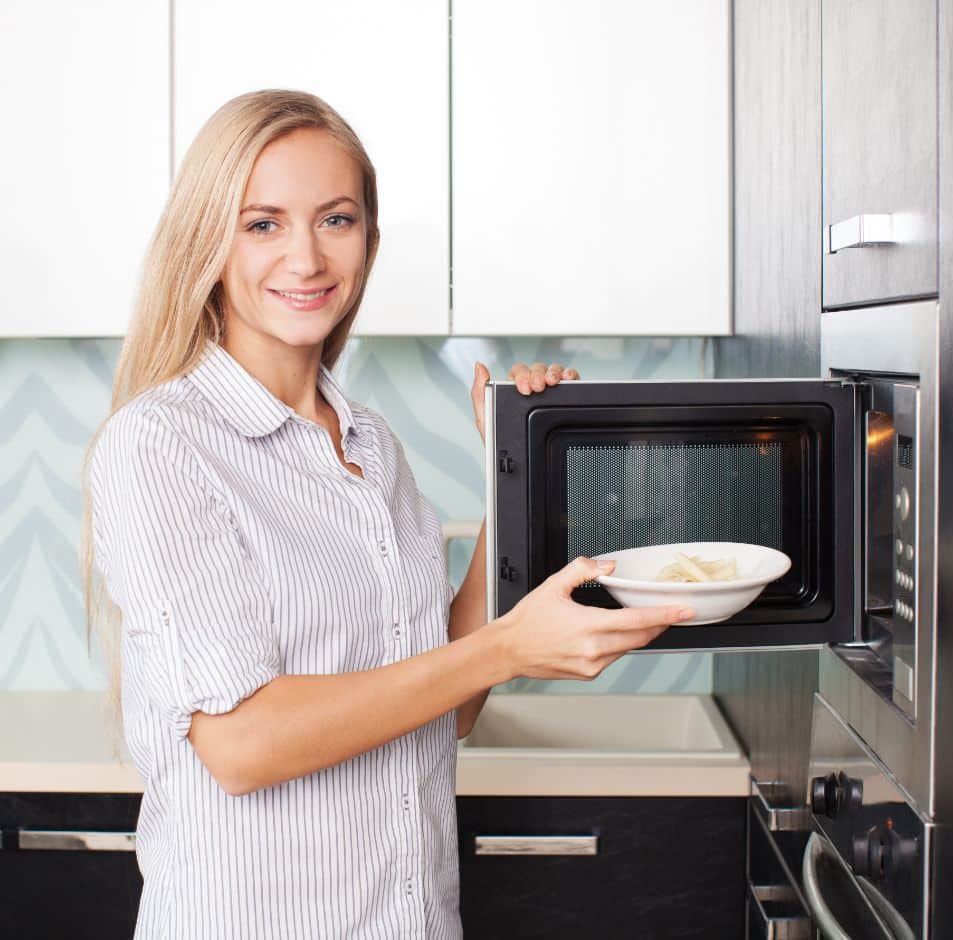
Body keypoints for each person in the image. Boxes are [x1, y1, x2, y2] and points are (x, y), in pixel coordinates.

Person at [82, 90, 692, 939]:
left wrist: (510, 473)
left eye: (336, 218)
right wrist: (506, 646)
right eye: (263, 224)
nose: (306, 257)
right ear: (207, 243)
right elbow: (243, 744)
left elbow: (450, 702)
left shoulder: (372, 445)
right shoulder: (160, 446)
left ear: (368, 238)